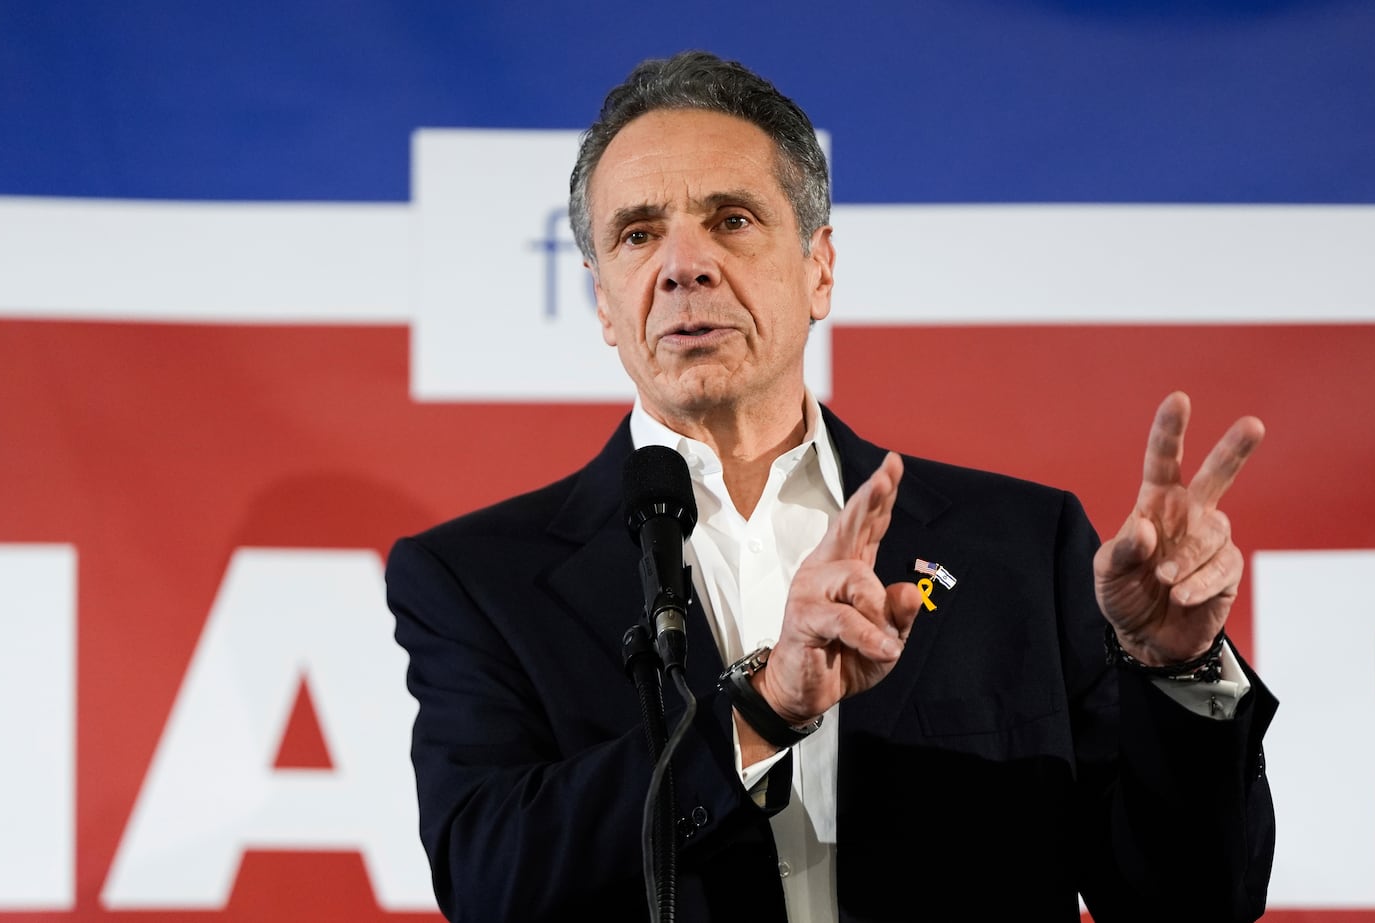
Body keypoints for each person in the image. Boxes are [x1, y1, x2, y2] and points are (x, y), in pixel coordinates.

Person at [385, 51, 1276, 922]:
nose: (682, 265)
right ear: (604, 302)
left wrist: (1177, 670)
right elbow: (492, 878)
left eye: (731, 219)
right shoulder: (479, 581)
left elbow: (1195, 901)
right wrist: (764, 710)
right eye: (638, 233)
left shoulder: (1019, 546)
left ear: (819, 268)